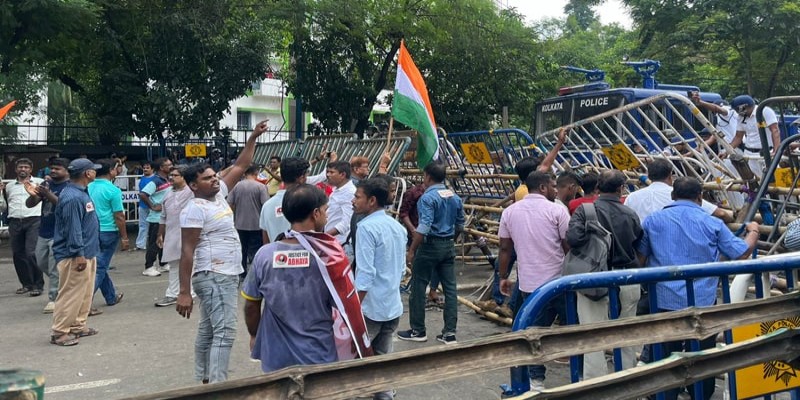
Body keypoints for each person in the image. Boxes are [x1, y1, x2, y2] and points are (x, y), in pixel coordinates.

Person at [638, 177, 759, 400]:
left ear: (673, 196)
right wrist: (754, 231)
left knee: (664, 352)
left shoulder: (653, 221)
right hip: (702, 301)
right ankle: (700, 394)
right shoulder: (711, 223)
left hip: (664, 300)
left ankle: (665, 394)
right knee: (703, 353)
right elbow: (741, 252)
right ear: (700, 197)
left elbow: (641, 257)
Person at [175, 120, 268, 384]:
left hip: (225, 273)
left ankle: (203, 379)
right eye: (207, 178)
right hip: (213, 273)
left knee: (208, 329)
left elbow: (240, 165)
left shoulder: (218, 195)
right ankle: (218, 387)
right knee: (225, 331)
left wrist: (252, 138)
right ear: (194, 185)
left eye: (215, 175)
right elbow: (187, 250)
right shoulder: (195, 209)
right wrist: (184, 291)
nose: (215, 179)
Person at [497, 171, 570, 392]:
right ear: (542, 187)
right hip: (560, 281)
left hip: (530, 284)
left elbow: (504, 249)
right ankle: (582, 374)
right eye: (553, 185)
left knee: (534, 333)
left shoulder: (509, 212)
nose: (556, 190)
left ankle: (536, 380)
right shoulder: (558, 210)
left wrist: (503, 277)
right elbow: (568, 246)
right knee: (573, 329)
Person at [566, 170, 642, 380]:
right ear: (620, 189)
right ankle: (628, 383)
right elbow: (638, 242)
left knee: (593, 335)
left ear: (597, 188)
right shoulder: (630, 214)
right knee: (626, 333)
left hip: (593, 279)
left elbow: (572, 238)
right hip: (627, 277)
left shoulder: (584, 210)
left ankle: (596, 385)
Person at [398, 162, 465, 344]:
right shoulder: (454, 197)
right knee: (450, 289)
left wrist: (412, 250)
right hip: (448, 244)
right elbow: (460, 224)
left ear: (427, 176)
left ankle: (418, 330)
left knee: (419, 286)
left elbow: (424, 226)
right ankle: (449, 333)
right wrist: (451, 239)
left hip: (429, 246)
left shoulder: (427, 199)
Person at [352, 177, 406, 400]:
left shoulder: (366, 227)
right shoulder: (397, 227)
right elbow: (402, 269)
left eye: (357, 197)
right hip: (392, 305)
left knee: (353, 361)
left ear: (372, 200)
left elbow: (365, 274)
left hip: (370, 307)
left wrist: (352, 308)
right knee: (383, 359)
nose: (353, 201)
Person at [50, 158, 103, 346]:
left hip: (87, 251)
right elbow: (73, 229)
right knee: (71, 293)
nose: (95, 172)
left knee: (84, 292)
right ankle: (60, 331)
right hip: (75, 254)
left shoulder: (79, 192)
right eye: (93, 170)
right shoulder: (73, 197)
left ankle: (78, 325)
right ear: (87, 173)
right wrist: (78, 253)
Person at [625, 158, 732, 223]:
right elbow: (721, 214)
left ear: (649, 175)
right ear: (670, 175)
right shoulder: (680, 193)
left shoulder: (632, 197)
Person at [26, 157, 70, 313]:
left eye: (57, 168)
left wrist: (48, 194)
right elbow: (31, 204)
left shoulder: (69, 187)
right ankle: (63, 285)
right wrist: (33, 195)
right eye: (51, 168)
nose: (53, 171)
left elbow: (65, 204)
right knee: (40, 261)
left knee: (53, 267)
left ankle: (54, 299)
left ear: (66, 171)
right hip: (44, 230)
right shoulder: (46, 184)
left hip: (59, 232)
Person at [87, 159, 128, 315]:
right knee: (99, 268)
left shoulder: (88, 187)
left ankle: (111, 296)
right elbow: (119, 215)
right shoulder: (113, 190)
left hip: (91, 230)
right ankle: (85, 303)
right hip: (108, 230)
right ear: (111, 170)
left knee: (98, 265)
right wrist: (124, 237)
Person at [154, 165, 195, 307]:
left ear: (184, 177)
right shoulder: (167, 193)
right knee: (174, 265)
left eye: (175, 175)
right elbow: (163, 216)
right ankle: (172, 294)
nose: (171, 178)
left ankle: (191, 293)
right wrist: (160, 234)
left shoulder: (191, 191)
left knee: (191, 264)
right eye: (170, 175)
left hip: (189, 234)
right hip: (172, 234)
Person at [6, 157, 45, 296]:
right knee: (18, 254)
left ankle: (38, 284)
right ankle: (26, 284)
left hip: (33, 220)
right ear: (16, 169)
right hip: (15, 221)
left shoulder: (39, 183)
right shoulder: (9, 186)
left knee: (31, 252)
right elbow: (7, 201)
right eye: (20, 167)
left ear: (31, 169)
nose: (23, 169)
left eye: (26, 167)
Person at [227, 165, 269, 278]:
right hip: (256, 224)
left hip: (240, 224)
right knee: (256, 250)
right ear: (256, 173)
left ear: (245, 174)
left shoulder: (236, 186)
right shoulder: (261, 187)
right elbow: (266, 205)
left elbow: (230, 203)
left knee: (242, 250)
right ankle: (255, 275)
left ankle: (242, 273)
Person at [729, 94, 781, 178]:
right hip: (749, 154)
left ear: (743, 107)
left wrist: (776, 151)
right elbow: (738, 137)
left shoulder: (764, 111)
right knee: (753, 182)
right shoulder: (741, 117)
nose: (736, 112)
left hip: (766, 154)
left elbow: (775, 130)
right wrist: (727, 150)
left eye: (737, 109)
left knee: (772, 180)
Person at [259, 157, 308, 244]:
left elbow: (265, 241)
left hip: (275, 255)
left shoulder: (267, 205)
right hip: (302, 256)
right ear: (302, 178)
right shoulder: (307, 202)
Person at [140, 157, 173, 277]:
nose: (171, 166)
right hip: (156, 218)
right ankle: (149, 266)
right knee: (154, 242)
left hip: (165, 216)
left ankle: (163, 263)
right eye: (168, 165)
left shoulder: (167, 179)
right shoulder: (155, 181)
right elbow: (143, 194)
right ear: (161, 168)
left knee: (164, 241)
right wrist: (152, 206)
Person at [323, 161, 356, 244]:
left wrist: (324, 237)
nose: (328, 175)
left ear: (342, 175)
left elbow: (346, 223)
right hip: (331, 241)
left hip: (340, 243)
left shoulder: (349, 193)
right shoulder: (336, 190)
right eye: (328, 172)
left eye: (332, 172)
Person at [135, 161, 155, 251]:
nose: (145, 169)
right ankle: (141, 244)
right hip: (143, 205)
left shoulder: (156, 179)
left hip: (153, 205)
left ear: (152, 169)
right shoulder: (142, 178)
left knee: (155, 225)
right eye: (144, 168)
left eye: (147, 168)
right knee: (143, 225)